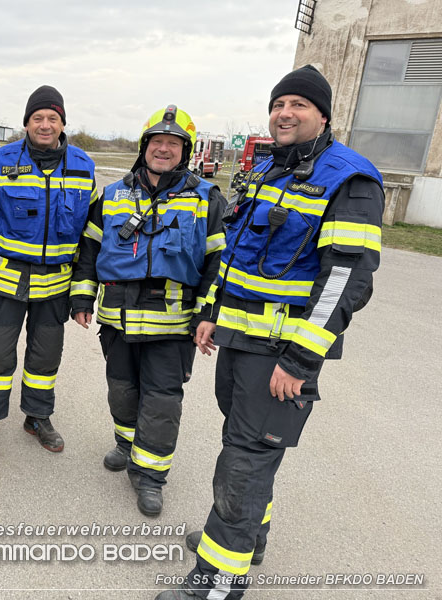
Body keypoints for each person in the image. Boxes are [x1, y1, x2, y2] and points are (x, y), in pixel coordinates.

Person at [156, 65, 385, 599]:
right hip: (239, 343)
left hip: (281, 356)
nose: (285, 112)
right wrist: (211, 312)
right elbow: (234, 255)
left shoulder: (349, 178)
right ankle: (247, 536)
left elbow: (346, 281)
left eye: (299, 105)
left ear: (323, 114)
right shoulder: (267, 171)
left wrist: (301, 362)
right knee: (249, 449)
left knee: (245, 458)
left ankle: (218, 582)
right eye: (279, 104)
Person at [71, 105, 226, 517]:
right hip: (117, 319)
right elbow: (89, 248)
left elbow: (218, 263)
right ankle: (126, 443)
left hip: (172, 324)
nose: (163, 149)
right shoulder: (115, 194)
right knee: (122, 391)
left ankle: (151, 475)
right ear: (144, 147)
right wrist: (82, 298)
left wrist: (207, 313)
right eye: (156, 142)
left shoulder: (207, 198)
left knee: (161, 402)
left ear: (185, 151)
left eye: (172, 144)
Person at [0, 85, 97, 452]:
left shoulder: (84, 168)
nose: (45, 124)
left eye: (53, 118)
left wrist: (84, 292)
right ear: (27, 123)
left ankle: (38, 417)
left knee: (45, 358)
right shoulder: (2, 162)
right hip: (6, 282)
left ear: (63, 123)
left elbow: (91, 238)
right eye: (38, 117)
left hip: (56, 286)